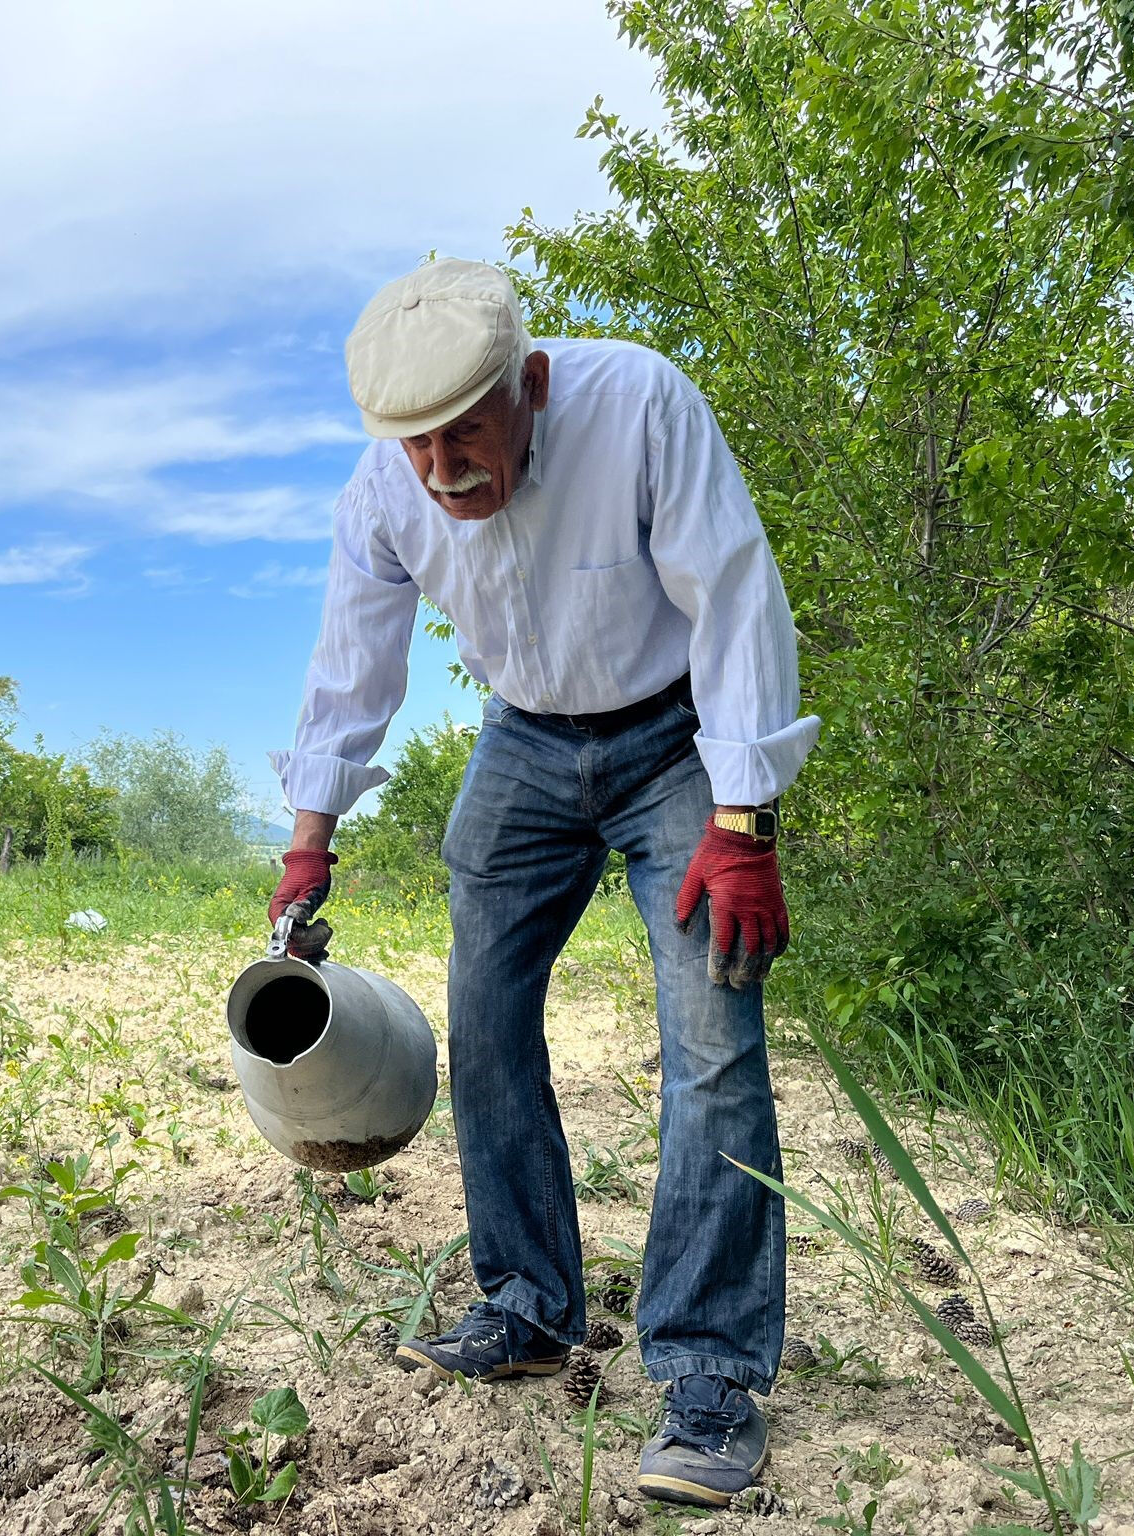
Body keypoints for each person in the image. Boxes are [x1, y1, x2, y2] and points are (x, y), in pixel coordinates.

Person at [267, 259, 818, 1508]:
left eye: (465, 429)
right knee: (486, 1020)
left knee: (712, 1037)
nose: (441, 466)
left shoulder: (638, 405)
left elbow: (734, 598)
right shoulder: (385, 493)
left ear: (530, 382)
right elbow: (351, 666)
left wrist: (744, 817)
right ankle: (525, 1300)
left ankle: (709, 1373)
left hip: (675, 738)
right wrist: (309, 841)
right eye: (413, 443)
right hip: (523, 742)